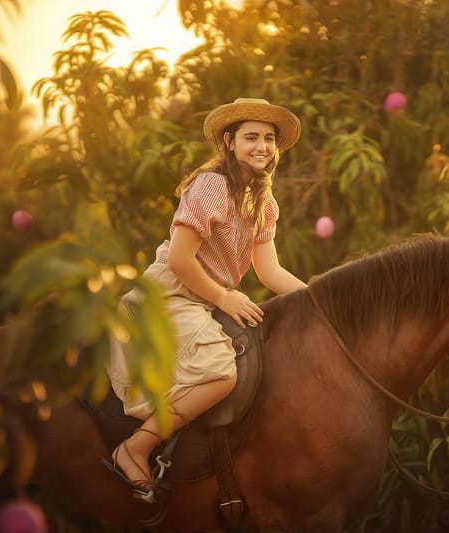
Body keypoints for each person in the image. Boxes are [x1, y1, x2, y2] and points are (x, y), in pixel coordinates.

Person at [105, 98, 307, 500]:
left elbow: (269, 272)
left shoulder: (263, 203)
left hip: (205, 298)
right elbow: (180, 260)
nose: (262, 147)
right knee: (220, 371)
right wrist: (225, 297)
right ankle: (136, 447)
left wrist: (321, 299)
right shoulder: (212, 185)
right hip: (171, 293)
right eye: (252, 137)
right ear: (229, 142)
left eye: (270, 139)